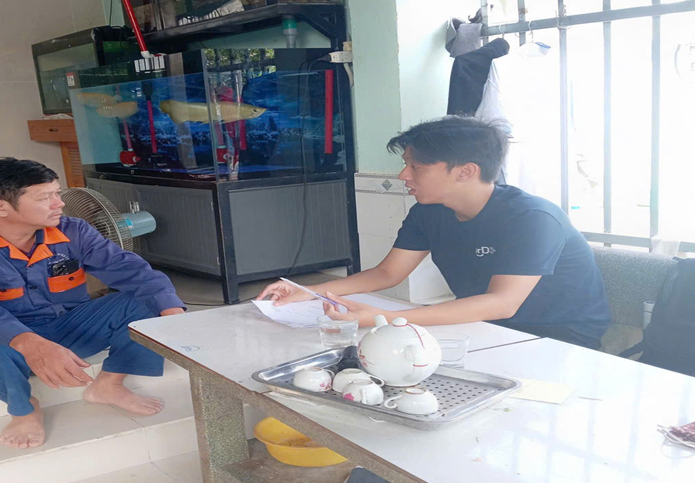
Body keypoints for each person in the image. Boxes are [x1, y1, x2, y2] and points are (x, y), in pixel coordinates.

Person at [258, 116, 610, 350]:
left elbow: (502, 303)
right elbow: (387, 273)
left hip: (557, 339)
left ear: (465, 171)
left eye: (417, 166)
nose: (403, 176)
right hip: (482, 327)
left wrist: (382, 318)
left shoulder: (532, 218)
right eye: (406, 164)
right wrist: (310, 292)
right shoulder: (429, 211)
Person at [0, 158, 185, 449]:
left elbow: (132, 271)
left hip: (65, 330)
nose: (59, 203)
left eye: (57, 193)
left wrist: (172, 315)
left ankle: (108, 384)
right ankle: (24, 410)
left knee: (150, 303)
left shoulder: (74, 230)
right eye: (44, 197)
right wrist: (30, 343)